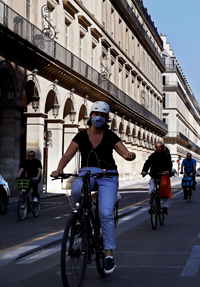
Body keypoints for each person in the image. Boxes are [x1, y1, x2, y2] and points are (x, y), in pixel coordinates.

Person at [51, 101, 135, 274]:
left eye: (102, 115)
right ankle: (80, 220)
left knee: (105, 213)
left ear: (106, 118)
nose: (99, 118)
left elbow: (124, 152)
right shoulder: (81, 136)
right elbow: (68, 154)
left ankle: (109, 254)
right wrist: (59, 169)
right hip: (87, 173)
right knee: (75, 190)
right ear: (91, 115)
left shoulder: (110, 135)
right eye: (96, 114)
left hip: (108, 176)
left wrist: (130, 155)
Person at [141, 142, 172, 215]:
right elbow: (148, 163)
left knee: (165, 193)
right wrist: (144, 170)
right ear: (155, 148)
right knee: (151, 191)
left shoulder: (167, 155)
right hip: (154, 175)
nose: (159, 148)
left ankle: (165, 207)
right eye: (157, 147)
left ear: (163, 148)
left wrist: (168, 170)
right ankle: (152, 206)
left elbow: (169, 163)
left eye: (160, 147)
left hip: (164, 175)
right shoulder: (153, 155)